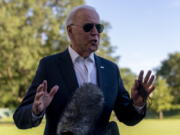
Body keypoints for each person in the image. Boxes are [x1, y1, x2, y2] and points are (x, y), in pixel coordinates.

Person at [13, 5, 155, 135]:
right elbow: (20, 117)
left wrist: (137, 103)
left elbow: (127, 117)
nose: (95, 33)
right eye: (88, 27)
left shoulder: (111, 70)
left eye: (98, 28)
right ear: (70, 30)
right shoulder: (49, 66)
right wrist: (35, 111)